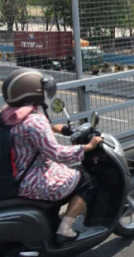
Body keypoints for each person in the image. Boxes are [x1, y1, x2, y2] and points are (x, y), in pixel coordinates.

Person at [1, 68, 103, 246]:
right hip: (32, 180)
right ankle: (65, 229)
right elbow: (57, 154)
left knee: (69, 174)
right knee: (87, 180)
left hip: (13, 175)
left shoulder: (8, 113)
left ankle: (52, 219)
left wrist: (56, 128)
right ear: (32, 94)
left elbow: (27, 133)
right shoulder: (34, 122)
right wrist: (87, 147)